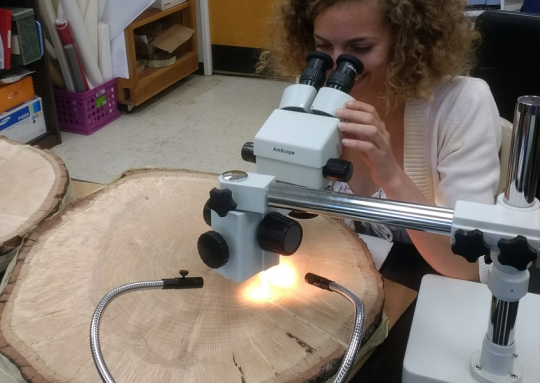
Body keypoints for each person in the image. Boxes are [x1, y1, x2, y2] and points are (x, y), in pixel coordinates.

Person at [258, 0, 501, 283]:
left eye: (360, 48)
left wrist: (392, 175)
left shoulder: (463, 104)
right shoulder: (312, 94)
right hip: (337, 272)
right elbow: (290, 211)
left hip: (428, 285)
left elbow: (468, 267)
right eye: (323, 47)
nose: (337, 65)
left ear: (406, 43)